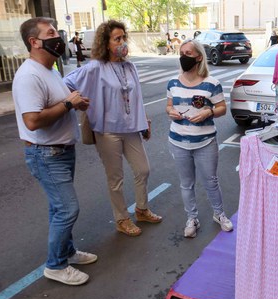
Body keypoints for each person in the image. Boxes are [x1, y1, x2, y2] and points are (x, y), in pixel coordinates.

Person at [12, 17, 96, 286]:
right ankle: (55, 265)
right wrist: (69, 105)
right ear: (34, 42)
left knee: (58, 208)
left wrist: (76, 102)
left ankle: (67, 252)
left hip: (60, 151)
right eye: (50, 33)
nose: (57, 36)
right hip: (46, 154)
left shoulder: (51, 69)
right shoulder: (29, 75)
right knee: (67, 209)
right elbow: (33, 121)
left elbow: (60, 103)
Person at [64, 20, 162, 238]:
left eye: (123, 37)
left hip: (131, 128)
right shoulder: (95, 68)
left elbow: (136, 97)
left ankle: (141, 209)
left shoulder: (130, 66)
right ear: (105, 43)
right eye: (117, 39)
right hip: (108, 131)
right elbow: (66, 83)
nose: (122, 42)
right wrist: (79, 102)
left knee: (143, 169)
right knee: (115, 178)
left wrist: (144, 120)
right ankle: (121, 219)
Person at [165, 39, 233, 238]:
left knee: (211, 181)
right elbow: (168, 106)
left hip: (205, 142)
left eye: (188, 53)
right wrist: (171, 112)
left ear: (199, 57)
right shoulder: (173, 83)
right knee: (186, 183)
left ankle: (219, 214)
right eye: (181, 53)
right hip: (178, 141)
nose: (184, 57)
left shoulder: (212, 84)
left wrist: (207, 113)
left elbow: (222, 108)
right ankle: (191, 218)